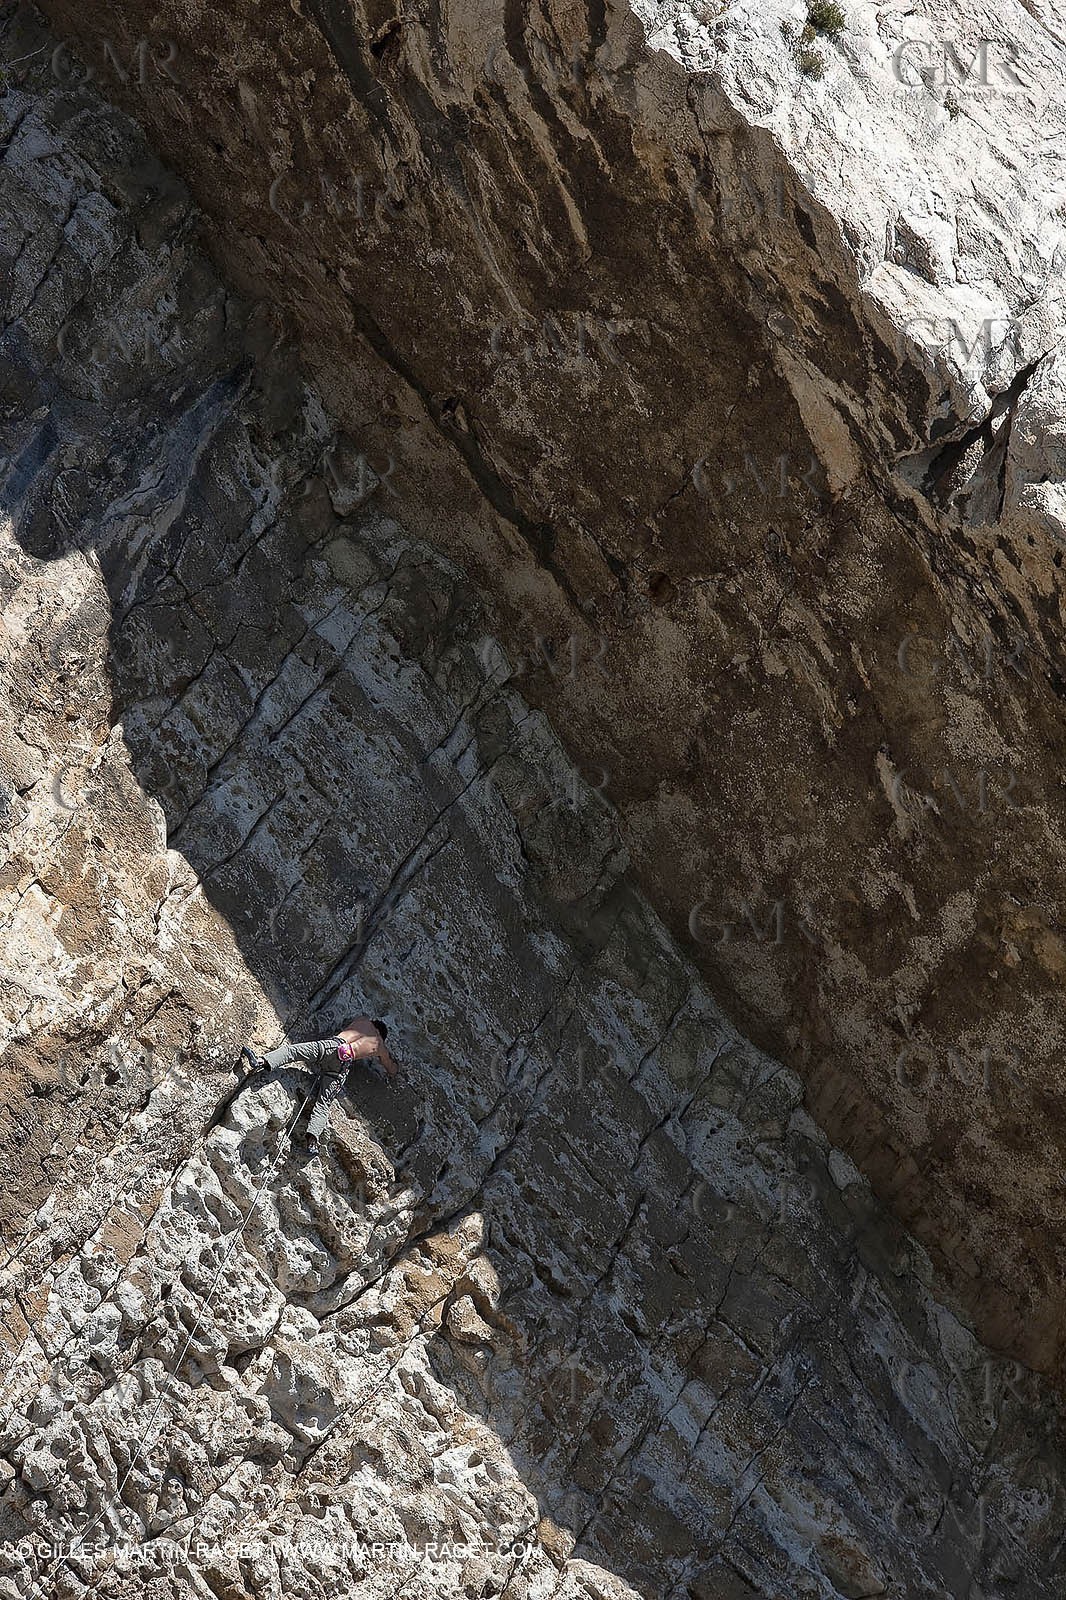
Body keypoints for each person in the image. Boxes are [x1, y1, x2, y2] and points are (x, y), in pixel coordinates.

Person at [241, 1017, 398, 1158]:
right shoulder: (380, 1046)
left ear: (374, 1023)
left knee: (292, 1052)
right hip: (342, 1065)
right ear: (382, 1035)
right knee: (323, 1104)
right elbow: (390, 1068)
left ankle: (260, 1061)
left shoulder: (363, 1021)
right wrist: (394, 1069)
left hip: (333, 1046)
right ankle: (312, 1143)